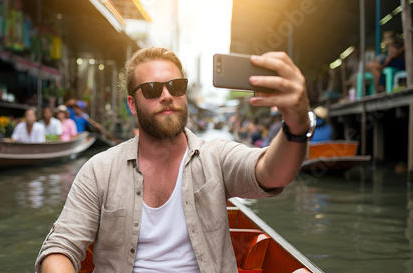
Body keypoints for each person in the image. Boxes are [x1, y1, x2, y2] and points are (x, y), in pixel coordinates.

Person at [35, 47, 313, 273]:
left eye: (176, 86)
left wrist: (296, 124)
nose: (167, 96)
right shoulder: (99, 170)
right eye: (153, 90)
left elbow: (272, 173)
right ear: (132, 104)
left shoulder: (215, 156)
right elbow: (60, 248)